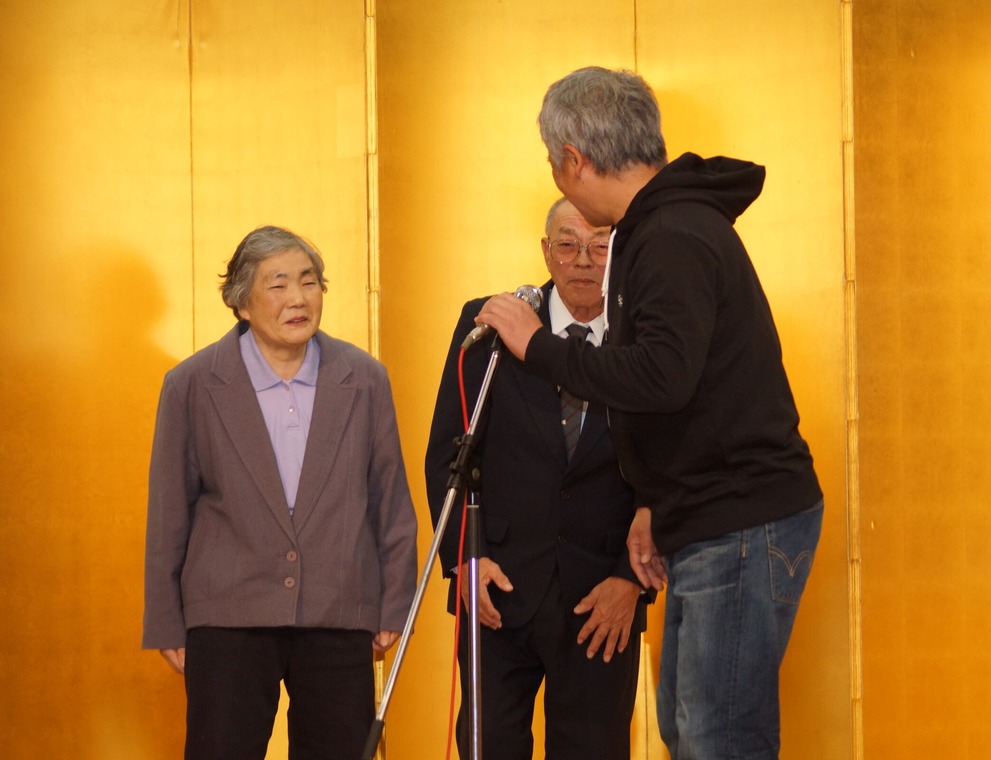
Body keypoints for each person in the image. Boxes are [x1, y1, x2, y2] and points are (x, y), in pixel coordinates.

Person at [474, 67, 824, 760]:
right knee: (692, 731)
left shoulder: (670, 235)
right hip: (715, 518)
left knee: (714, 738)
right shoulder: (665, 227)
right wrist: (653, 502)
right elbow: (690, 392)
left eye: (554, 164)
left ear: (573, 160)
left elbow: (662, 377)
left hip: (741, 522)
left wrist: (537, 347)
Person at [142, 225, 418, 760]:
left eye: (309, 282)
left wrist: (394, 605)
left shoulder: (364, 378)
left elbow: (391, 502)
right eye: (278, 284)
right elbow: (168, 513)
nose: (298, 298)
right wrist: (164, 618)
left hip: (339, 611)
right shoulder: (192, 385)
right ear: (241, 302)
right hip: (227, 615)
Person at [425, 198, 649, 760]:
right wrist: (463, 561)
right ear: (546, 253)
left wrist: (632, 580)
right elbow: (448, 455)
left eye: (601, 245)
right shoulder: (493, 324)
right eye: (568, 244)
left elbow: (670, 467)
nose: (584, 260)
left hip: (603, 603)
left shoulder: (645, 336)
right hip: (497, 589)